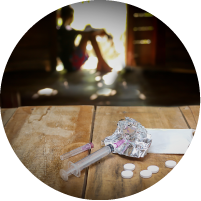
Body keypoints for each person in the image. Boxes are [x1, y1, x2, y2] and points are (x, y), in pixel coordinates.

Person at [57, 5, 113, 72]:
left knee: (88, 32)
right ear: (71, 16)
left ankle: (101, 63)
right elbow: (88, 32)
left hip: (67, 64)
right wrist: (104, 33)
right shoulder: (68, 30)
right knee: (88, 34)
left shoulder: (60, 29)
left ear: (60, 16)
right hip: (72, 64)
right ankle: (102, 63)